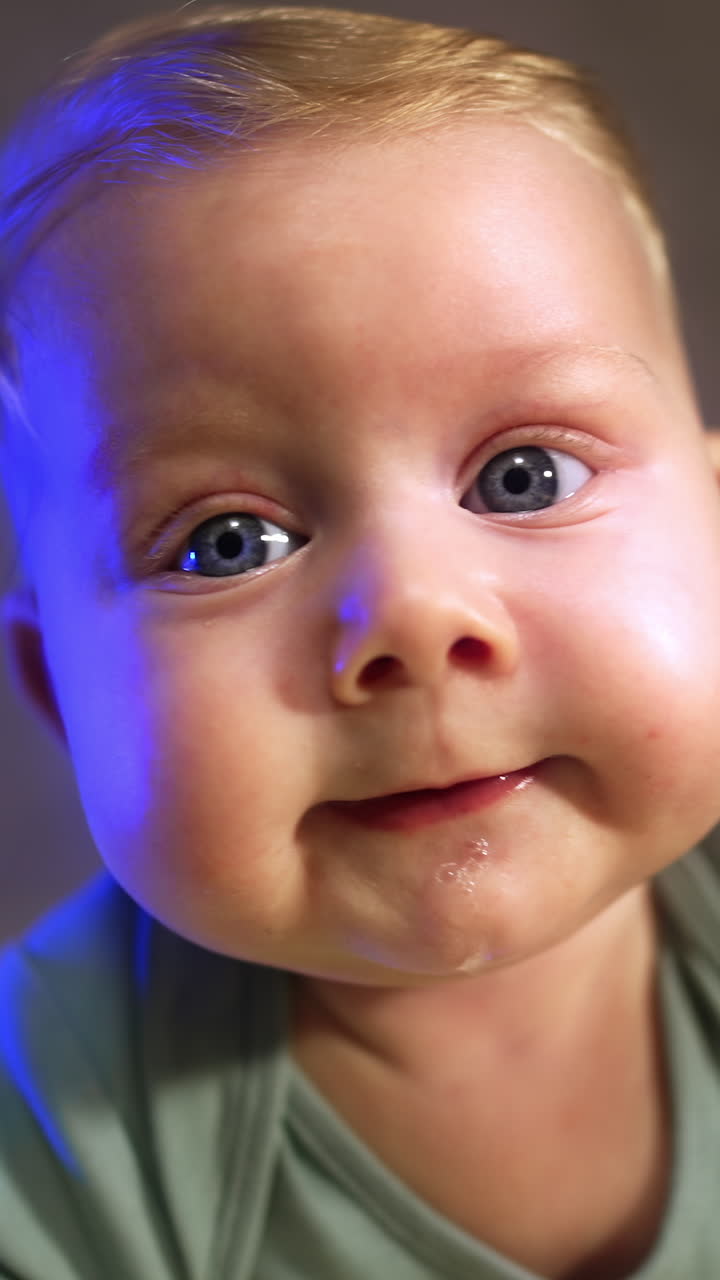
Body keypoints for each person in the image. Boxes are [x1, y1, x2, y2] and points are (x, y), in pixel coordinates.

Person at [1, 6, 720, 1277]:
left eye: (526, 474)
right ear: (60, 690)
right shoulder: (41, 1135)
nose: (415, 615)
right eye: (227, 541)